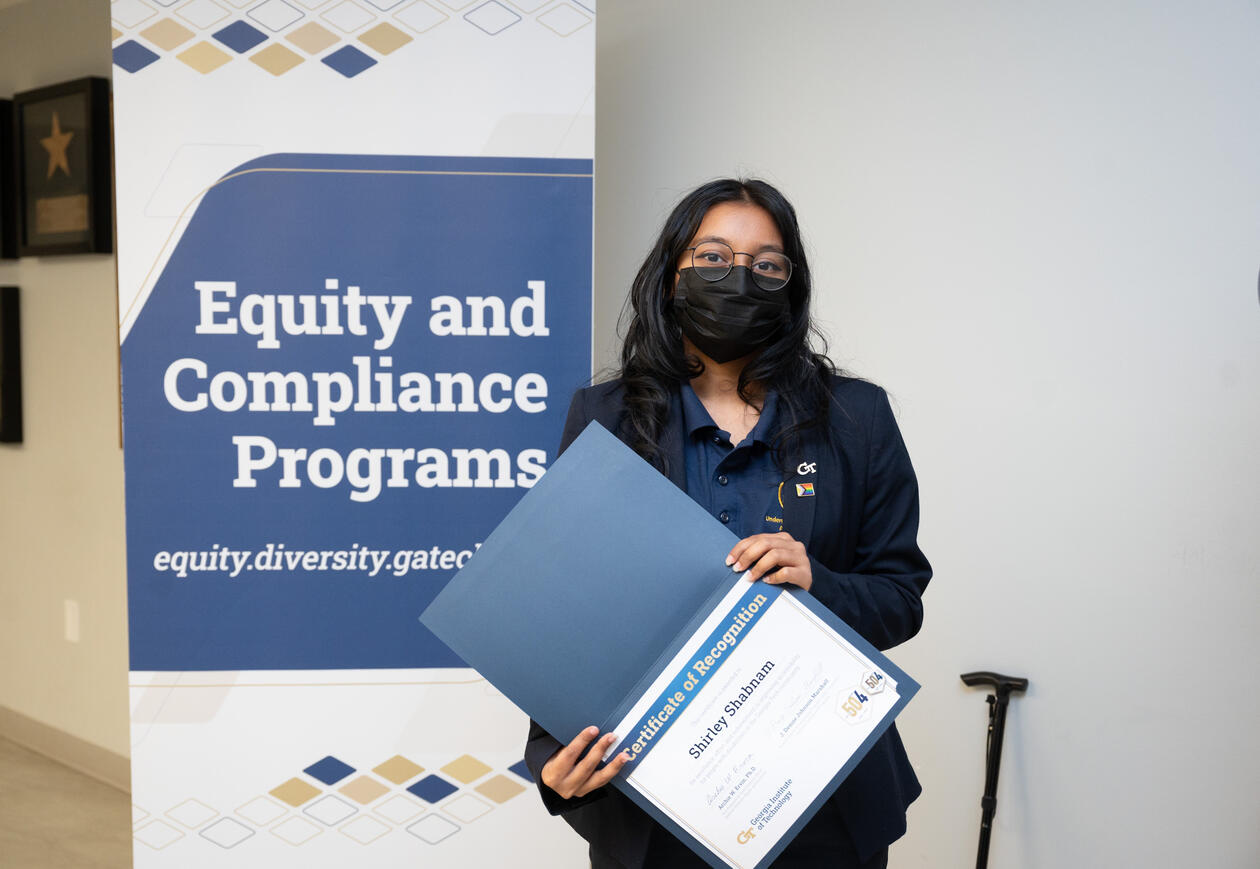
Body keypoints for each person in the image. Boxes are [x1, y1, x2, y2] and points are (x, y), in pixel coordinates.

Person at [524, 178, 931, 868]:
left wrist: (820, 582)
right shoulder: (607, 418)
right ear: (671, 275)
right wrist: (550, 756)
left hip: (822, 796)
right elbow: (568, 610)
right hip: (654, 800)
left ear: (789, 286)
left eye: (765, 265)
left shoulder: (858, 417)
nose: (739, 279)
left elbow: (900, 598)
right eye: (713, 258)